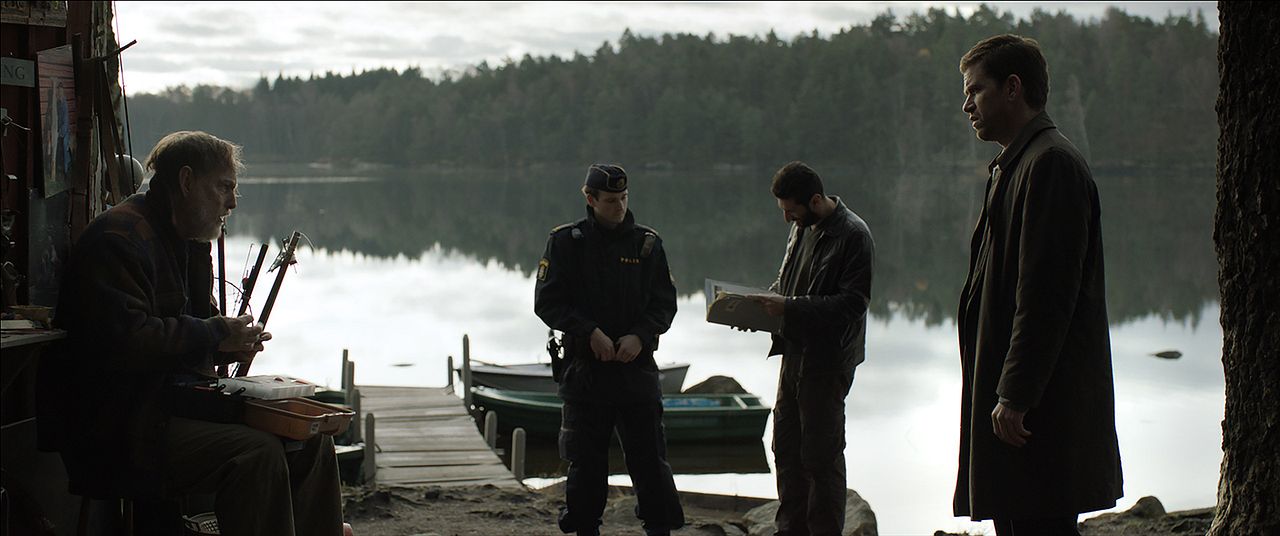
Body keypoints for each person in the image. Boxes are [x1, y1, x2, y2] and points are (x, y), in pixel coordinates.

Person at [41, 131, 350, 536]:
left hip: (170, 408)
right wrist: (214, 335)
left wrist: (231, 340)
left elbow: (195, 333)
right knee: (257, 454)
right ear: (186, 181)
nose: (233, 203)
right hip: (119, 426)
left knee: (312, 440)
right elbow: (129, 342)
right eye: (224, 187)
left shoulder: (186, 241)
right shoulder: (118, 239)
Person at [954, 34, 1123, 536]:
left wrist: (1015, 393)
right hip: (1022, 412)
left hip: (1040, 417)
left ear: (1012, 88)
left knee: (1040, 524)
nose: (966, 105)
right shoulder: (1016, 163)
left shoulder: (1050, 165)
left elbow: (1046, 296)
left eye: (974, 91)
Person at [534, 164, 684, 536]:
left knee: (650, 459)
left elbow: (664, 304)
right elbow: (547, 303)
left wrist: (640, 336)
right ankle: (585, 529)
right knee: (586, 462)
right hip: (587, 370)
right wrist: (589, 333)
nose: (619, 207)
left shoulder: (647, 244)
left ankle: (660, 528)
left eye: (624, 199)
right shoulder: (567, 243)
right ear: (590, 199)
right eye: (611, 200)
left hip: (636, 368)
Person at [748, 161, 874, 536]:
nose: (787, 219)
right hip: (794, 355)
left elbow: (852, 304)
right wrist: (759, 308)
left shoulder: (854, 235)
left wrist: (788, 307)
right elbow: (790, 283)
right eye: (783, 211)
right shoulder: (801, 228)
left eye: (791, 210)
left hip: (828, 362)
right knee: (785, 450)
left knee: (821, 458)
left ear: (816, 200)